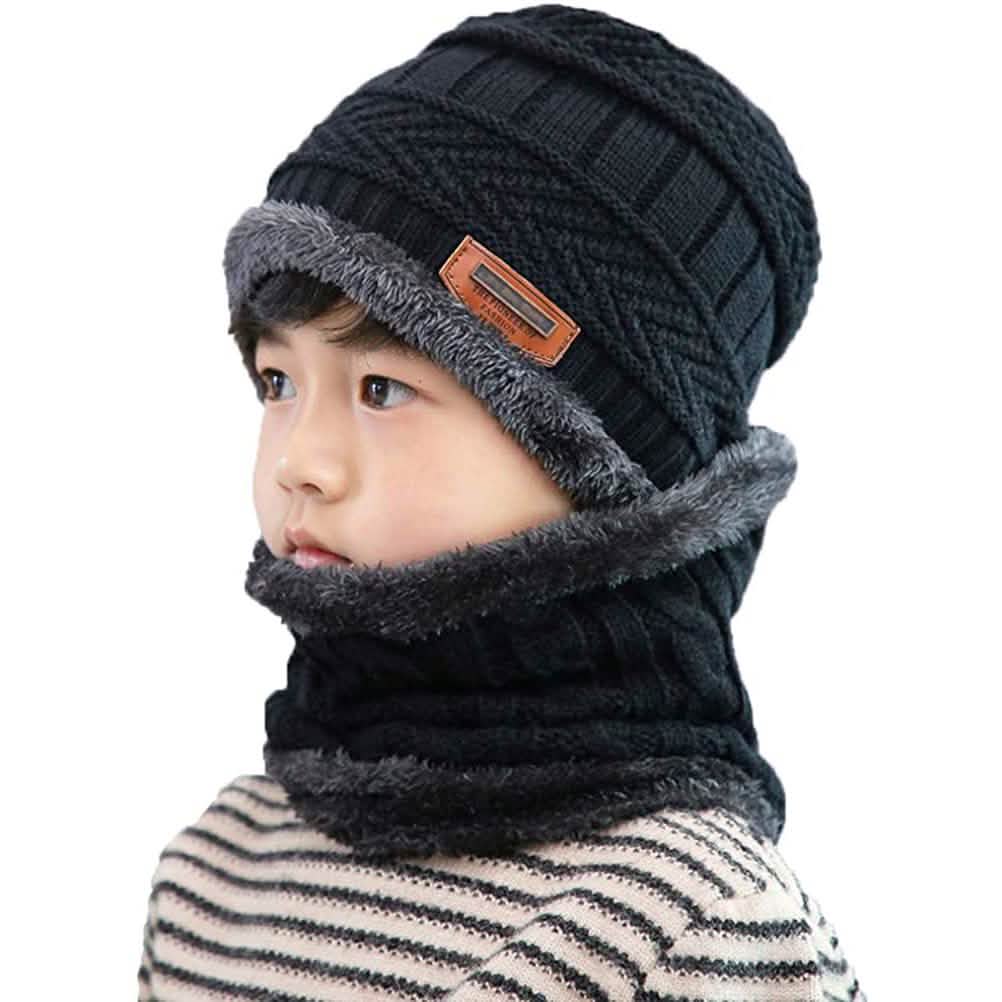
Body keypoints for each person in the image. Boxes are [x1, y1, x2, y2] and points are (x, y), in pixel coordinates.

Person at [137, 4, 867, 999]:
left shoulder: (687, 917)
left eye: (382, 389)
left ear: (599, 461)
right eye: (277, 382)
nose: (300, 462)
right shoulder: (216, 871)